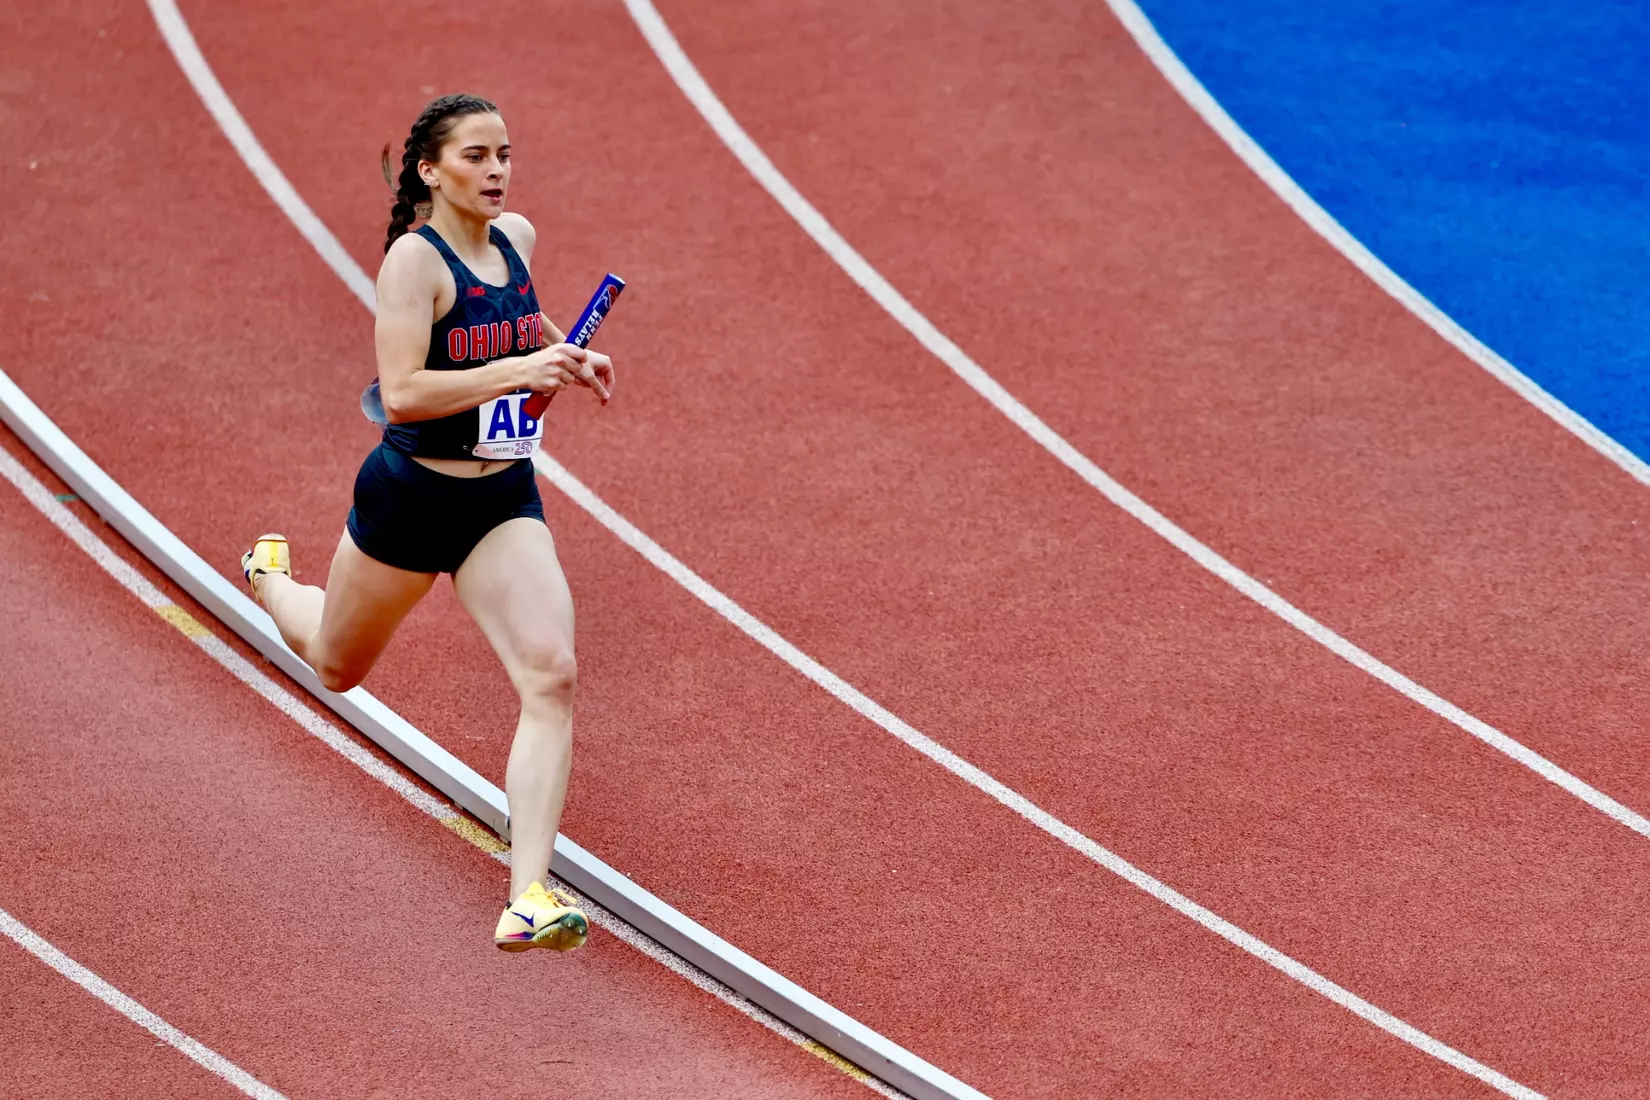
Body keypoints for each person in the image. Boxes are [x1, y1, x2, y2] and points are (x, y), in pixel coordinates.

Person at [240, 93, 613, 953]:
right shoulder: (415, 263)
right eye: (477, 157)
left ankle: (528, 894)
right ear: (430, 171)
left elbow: (515, 327)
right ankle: (269, 580)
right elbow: (403, 391)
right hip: (411, 496)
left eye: (505, 154)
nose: (496, 172)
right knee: (336, 665)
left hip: (499, 500)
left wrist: (565, 350)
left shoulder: (516, 240)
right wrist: (520, 366)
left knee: (552, 674)